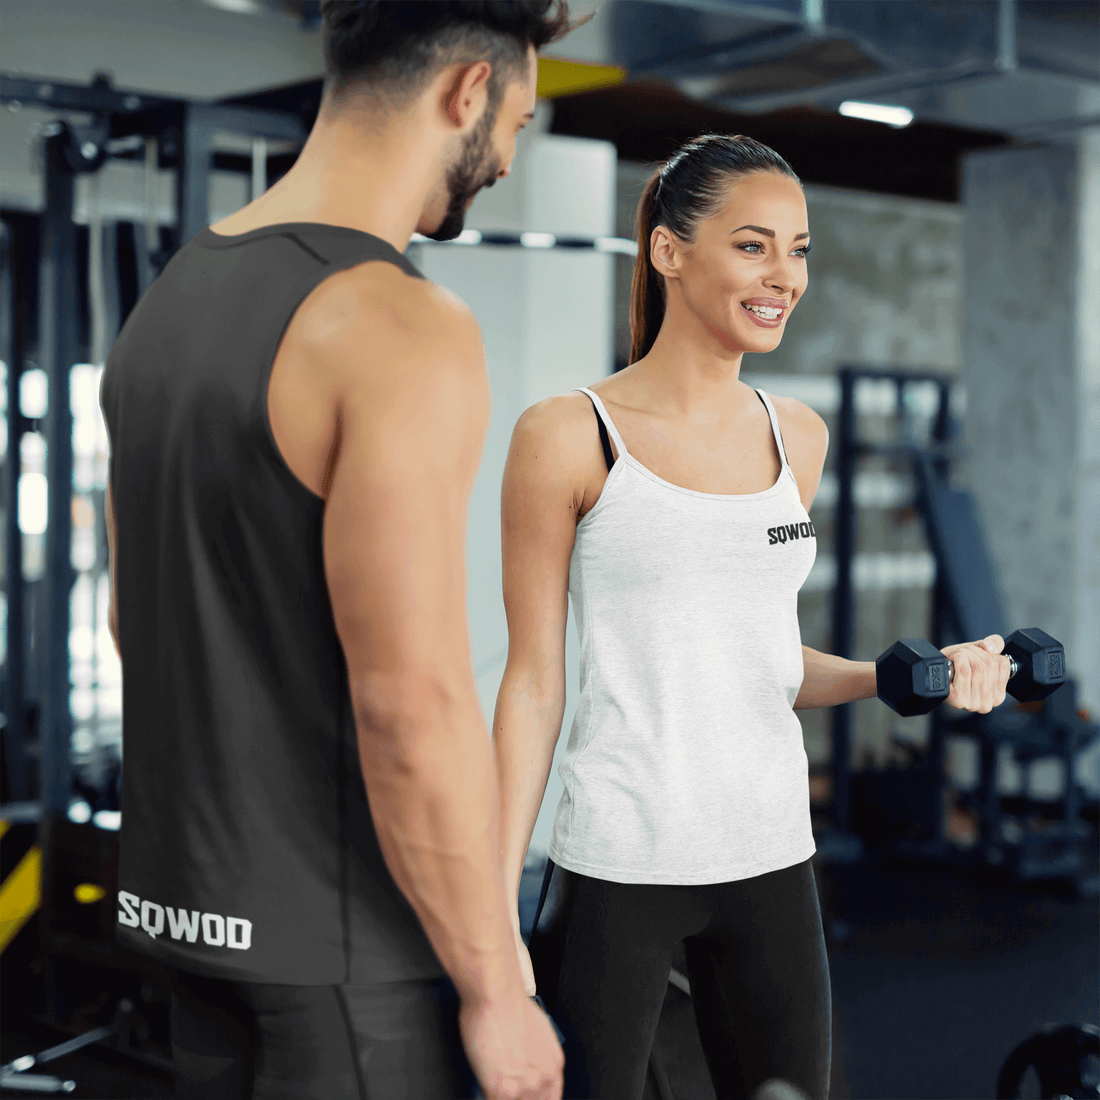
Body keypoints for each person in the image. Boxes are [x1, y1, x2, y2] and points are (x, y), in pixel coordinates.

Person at [99, 2, 590, 1098]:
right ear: (465, 92)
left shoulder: (165, 304)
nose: (508, 154)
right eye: (515, 118)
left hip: (188, 926)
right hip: (346, 962)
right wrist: (494, 987)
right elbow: (410, 704)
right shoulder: (398, 323)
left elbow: (133, 622)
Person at [489, 133, 1016, 1100]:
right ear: (669, 251)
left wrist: (905, 674)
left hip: (772, 855)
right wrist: (487, 908)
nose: (785, 275)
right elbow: (533, 681)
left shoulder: (793, 438)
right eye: (753, 245)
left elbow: (764, 661)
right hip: (620, 862)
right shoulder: (568, 436)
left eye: (800, 249)